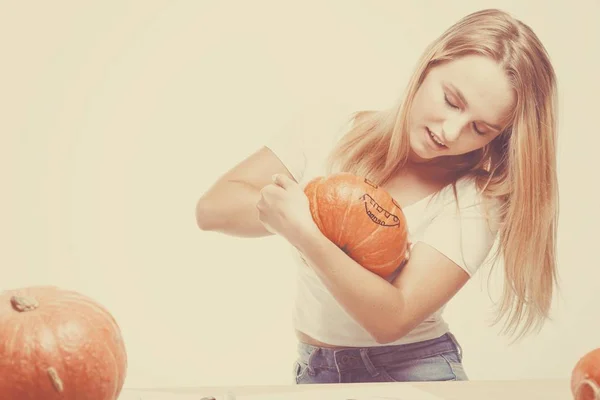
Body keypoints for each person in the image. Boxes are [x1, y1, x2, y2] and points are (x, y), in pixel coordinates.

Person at [195, 8, 559, 384]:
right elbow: (212, 209)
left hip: (415, 375)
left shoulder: (475, 198)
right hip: (314, 372)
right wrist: (314, 210)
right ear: (428, 66)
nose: (451, 132)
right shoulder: (327, 126)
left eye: (480, 128)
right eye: (451, 100)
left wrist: (305, 230)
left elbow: (391, 319)